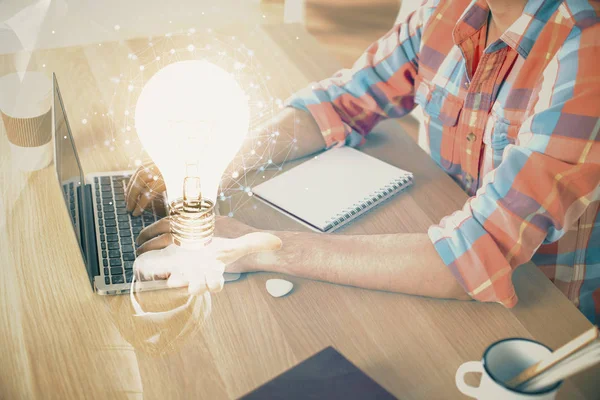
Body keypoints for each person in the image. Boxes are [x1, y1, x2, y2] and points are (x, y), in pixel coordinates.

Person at [127, 0, 600, 324]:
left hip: (543, 319)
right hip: (438, 268)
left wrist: (262, 247)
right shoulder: (450, 11)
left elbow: (477, 255)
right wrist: (215, 159)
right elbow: (340, 102)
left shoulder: (584, 48)